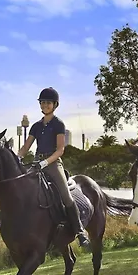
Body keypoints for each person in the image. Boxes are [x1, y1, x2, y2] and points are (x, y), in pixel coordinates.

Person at [18, 87, 90, 248]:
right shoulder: (36, 126)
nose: (45, 105)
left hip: (53, 163)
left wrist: (46, 162)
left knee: (66, 196)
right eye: (42, 102)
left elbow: (60, 150)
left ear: (55, 104)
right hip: (37, 163)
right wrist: (17, 157)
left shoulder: (58, 124)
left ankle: (79, 231)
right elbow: (26, 147)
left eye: (48, 103)